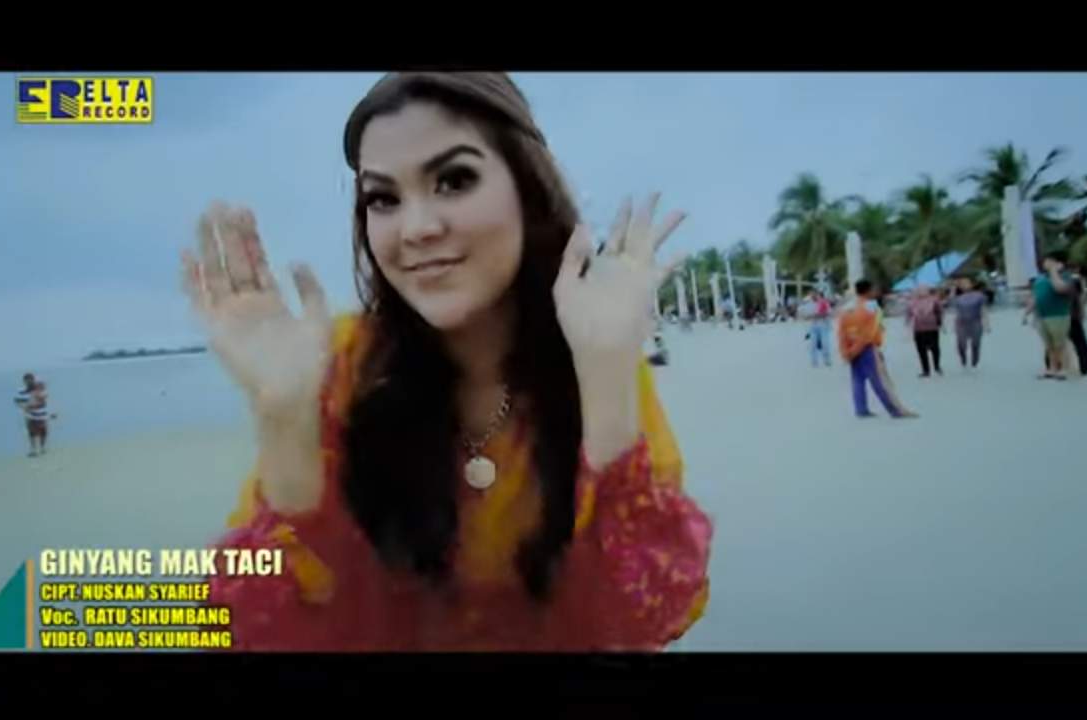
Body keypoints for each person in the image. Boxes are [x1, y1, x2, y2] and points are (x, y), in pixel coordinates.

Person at [179, 72, 712, 651]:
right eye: (383, 199)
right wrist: (283, 418)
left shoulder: (594, 350)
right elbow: (272, 630)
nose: (417, 229)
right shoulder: (341, 363)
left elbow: (635, 620)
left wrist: (606, 374)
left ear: (527, 188)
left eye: (454, 181)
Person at [839, 280, 916, 418]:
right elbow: (874, 330)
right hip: (867, 347)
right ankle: (895, 410)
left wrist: (847, 351)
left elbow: (841, 332)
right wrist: (873, 342)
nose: (875, 292)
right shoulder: (872, 307)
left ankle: (861, 408)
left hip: (851, 347)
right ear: (868, 291)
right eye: (873, 289)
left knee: (858, 379)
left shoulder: (847, 308)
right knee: (879, 380)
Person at [1029, 251, 1077, 380]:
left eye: (1049, 261)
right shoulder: (1040, 278)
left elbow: (1060, 288)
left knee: (1060, 344)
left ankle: (1065, 368)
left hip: (1058, 315)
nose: (1046, 263)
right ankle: (1052, 368)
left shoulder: (1064, 275)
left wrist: (1054, 272)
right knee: (1049, 345)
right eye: (1045, 261)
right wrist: (1029, 312)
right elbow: (1035, 296)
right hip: (1042, 316)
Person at [949, 277, 990, 370]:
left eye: (967, 283)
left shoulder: (979, 296)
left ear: (971, 284)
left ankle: (975, 360)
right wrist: (952, 289)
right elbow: (951, 303)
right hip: (961, 323)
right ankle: (963, 357)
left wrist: (986, 324)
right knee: (961, 344)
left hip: (975, 321)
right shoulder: (958, 298)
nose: (965, 285)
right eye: (962, 284)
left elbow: (984, 310)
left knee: (975, 343)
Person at [904, 287, 944, 377]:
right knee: (925, 350)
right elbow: (909, 314)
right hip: (922, 328)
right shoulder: (913, 302)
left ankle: (934, 367)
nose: (921, 292)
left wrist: (939, 321)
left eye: (923, 290)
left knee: (932, 349)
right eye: (919, 291)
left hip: (928, 328)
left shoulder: (933, 300)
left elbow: (939, 311)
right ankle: (929, 369)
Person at [1066, 264, 1087, 375]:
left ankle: (1053, 366)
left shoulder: (1068, 279)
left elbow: (1081, 296)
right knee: (1080, 341)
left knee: (1059, 341)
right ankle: (1086, 366)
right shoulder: (1076, 280)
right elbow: (1082, 297)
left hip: (1064, 314)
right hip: (1072, 314)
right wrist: (1082, 311)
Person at [12, 373, 47, 457]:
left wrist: (33, 403)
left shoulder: (39, 388)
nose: (29, 382)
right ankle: (33, 450)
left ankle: (42, 448)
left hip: (41, 413)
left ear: (33, 380)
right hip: (29, 415)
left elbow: (43, 400)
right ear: (24, 382)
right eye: (27, 381)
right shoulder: (21, 391)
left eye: (30, 380)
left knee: (43, 431)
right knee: (31, 432)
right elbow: (17, 401)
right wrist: (23, 406)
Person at [801, 290, 833, 368]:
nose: (813, 296)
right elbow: (804, 316)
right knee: (813, 345)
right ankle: (814, 362)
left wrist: (819, 315)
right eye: (812, 295)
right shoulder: (808, 305)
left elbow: (829, 313)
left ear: (818, 294)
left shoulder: (824, 303)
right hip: (813, 327)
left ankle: (827, 360)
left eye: (815, 294)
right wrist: (810, 316)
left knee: (825, 344)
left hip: (823, 326)